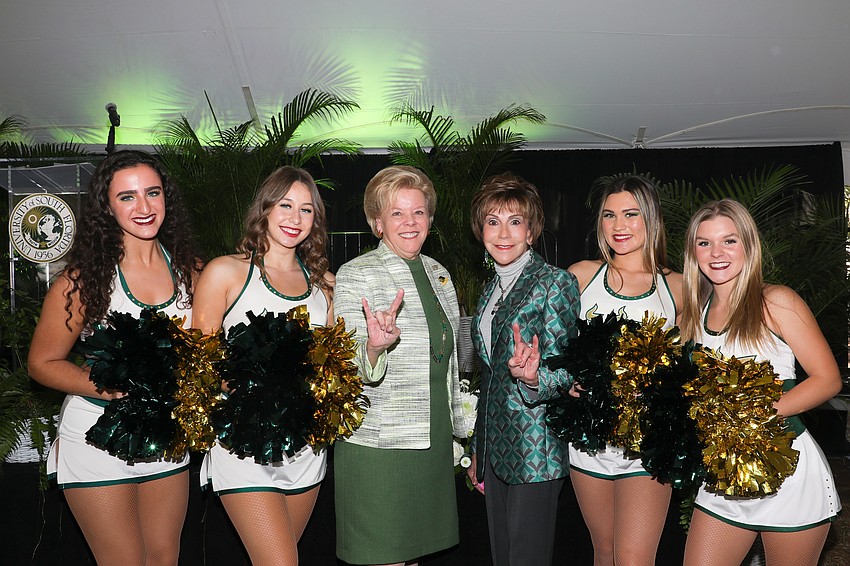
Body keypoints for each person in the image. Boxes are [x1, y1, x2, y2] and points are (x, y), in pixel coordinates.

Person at [28, 150, 199, 565]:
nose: (144, 207)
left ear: (166, 197)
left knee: (164, 559)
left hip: (165, 435)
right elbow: (42, 363)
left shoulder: (193, 271)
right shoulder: (82, 279)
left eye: (152, 193)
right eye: (127, 197)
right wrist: (109, 388)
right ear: (107, 206)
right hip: (95, 437)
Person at [680, 199, 841, 566]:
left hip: (789, 475)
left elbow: (828, 379)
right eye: (704, 243)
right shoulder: (692, 314)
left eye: (729, 240)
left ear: (748, 245)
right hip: (722, 478)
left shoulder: (776, 301)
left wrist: (751, 415)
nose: (716, 253)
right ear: (693, 252)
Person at [192, 166, 334, 566]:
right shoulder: (225, 271)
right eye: (285, 205)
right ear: (265, 208)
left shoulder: (326, 284)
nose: (295, 218)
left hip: (306, 446)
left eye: (306, 210)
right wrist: (246, 386)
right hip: (242, 443)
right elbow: (197, 357)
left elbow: (333, 363)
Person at [333, 165, 465, 566]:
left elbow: (449, 359)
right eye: (397, 213)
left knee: (412, 556)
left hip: (432, 439)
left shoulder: (439, 275)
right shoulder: (356, 274)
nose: (410, 222)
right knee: (385, 557)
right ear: (378, 222)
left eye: (418, 212)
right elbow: (347, 362)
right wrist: (374, 348)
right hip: (380, 446)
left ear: (430, 219)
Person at [566, 175, 683, 566]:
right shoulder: (580, 276)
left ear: (651, 219)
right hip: (589, 440)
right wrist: (566, 381)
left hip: (648, 443)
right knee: (605, 551)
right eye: (609, 215)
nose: (619, 225)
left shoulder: (679, 286)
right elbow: (554, 349)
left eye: (631, 214)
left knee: (634, 558)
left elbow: (695, 360)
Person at [465, 172, 581, 566]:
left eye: (515, 222)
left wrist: (533, 378)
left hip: (535, 452)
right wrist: (478, 449)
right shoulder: (490, 291)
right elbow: (488, 378)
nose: (503, 233)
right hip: (495, 450)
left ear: (531, 232)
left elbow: (566, 371)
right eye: (492, 221)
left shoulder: (555, 283)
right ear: (481, 230)